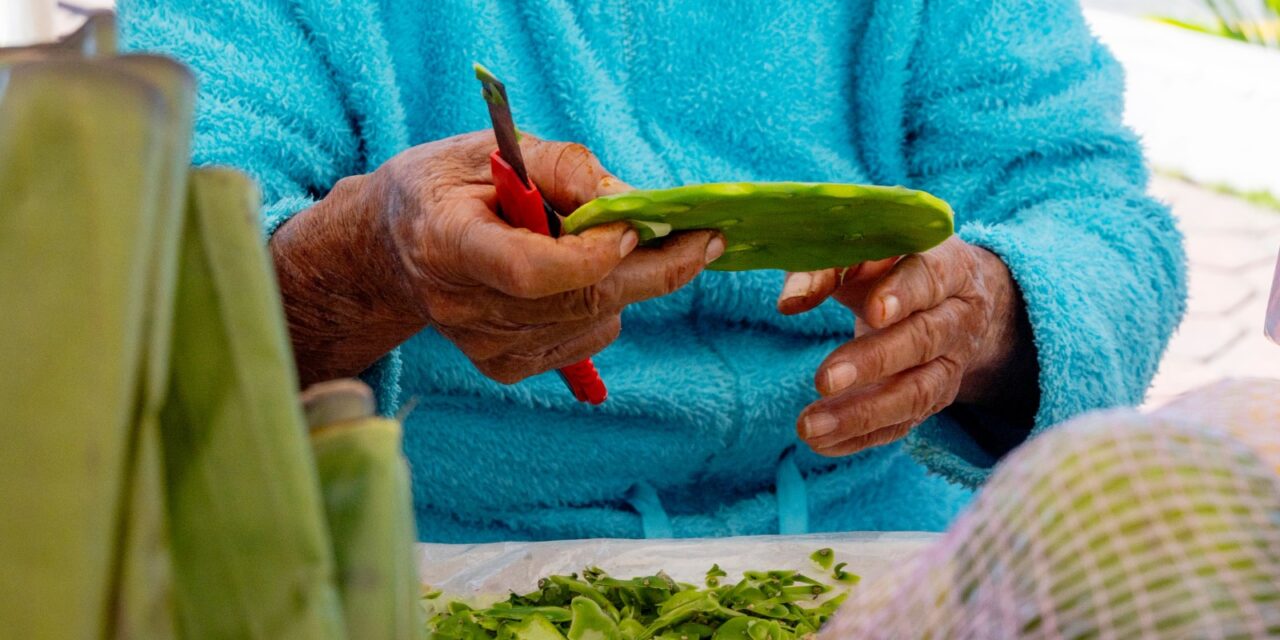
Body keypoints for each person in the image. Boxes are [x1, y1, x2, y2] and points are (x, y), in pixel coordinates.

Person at [119, 0, 1186, 541]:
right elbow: (144, 288)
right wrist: (364, 262)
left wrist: (986, 310)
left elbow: (1096, 218)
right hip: (413, 554)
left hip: (880, 543)